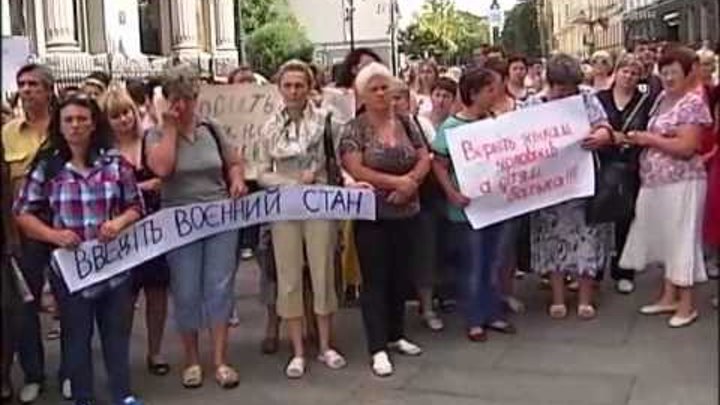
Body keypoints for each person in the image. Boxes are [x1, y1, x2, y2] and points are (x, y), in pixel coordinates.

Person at [14, 93, 144, 405]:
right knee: (76, 338)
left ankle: (122, 394)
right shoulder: (48, 167)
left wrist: (119, 223)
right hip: (71, 270)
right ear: (60, 125)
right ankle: (83, 397)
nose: (75, 126)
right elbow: (23, 213)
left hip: (113, 266)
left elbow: (136, 206)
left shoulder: (114, 163)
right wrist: (54, 235)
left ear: (93, 123)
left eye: (82, 119)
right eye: (69, 120)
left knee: (116, 336)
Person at [146, 65, 246, 388]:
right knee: (186, 288)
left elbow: (233, 161)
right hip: (180, 219)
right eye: (175, 98)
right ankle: (191, 358)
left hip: (218, 216)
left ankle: (220, 359)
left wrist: (237, 179)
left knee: (219, 286)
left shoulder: (212, 129)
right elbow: (162, 167)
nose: (182, 105)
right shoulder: (155, 134)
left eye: (187, 98)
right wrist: (172, 129)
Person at [339, 62, 430, 377]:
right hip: (373, 214)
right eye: (374, 89)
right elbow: (356, 168)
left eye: (384, 87)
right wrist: (396, 184)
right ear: (362, 94)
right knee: (375, 280)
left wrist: (413, 183)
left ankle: (396, 335)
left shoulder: (406, 120)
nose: (381, 94)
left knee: (400, 276)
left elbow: (423, 155)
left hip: (407, 210)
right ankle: (377, 347)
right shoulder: (354, 128)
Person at [256, 60, 346, 378]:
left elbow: (341, 159)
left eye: (299, 85)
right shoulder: (268, 126)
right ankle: (296, 351)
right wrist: (289, 183)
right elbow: (261, 172)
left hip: (319, 202)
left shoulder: (326, 121)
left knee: (322, 272)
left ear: (309, 87)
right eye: (287, 85)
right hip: (285, 206)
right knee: (288, 276)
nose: (293, 91)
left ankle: (324, 345)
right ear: (279, 88)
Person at [619, 46, 713, 328]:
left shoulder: (693, 102)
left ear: (688, 73)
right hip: (655, 182)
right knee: (664, 239)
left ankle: (687, 304)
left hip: (683, 181)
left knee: (682, 240)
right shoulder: (661, 98)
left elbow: (687, 147)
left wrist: (649, 139)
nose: (669, 77)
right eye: (665, 72)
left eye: (675, 72)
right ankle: (668, 295)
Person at [523, 54, 616, 320]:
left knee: (587, 237)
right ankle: (558, 297)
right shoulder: (532, 104)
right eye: (563, 89)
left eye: (571, 88)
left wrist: (599, 135)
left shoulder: (586, 97)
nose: (568, 94)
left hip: (581, 183)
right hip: (548, 188)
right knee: (551, 240)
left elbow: (606, 127)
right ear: (550, 83)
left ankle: (586, 298)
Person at [1, 63, 71, 404]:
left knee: (71, 300)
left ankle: (72, 371)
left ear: (49, 90)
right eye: (22, 84)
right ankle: (33, 374)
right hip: (22, 227)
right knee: (24, 305)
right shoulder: (7, 133)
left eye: (33, 84)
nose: (26, 90)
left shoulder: (67, 127)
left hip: (65, 224)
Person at [432, 67, 518, 342]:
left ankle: (491, 312)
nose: (497, 94)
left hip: (493, 205)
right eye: (491, 89)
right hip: (467, 209)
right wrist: (451, 193)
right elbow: (440, 165)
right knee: (473, 263)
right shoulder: (451, 128)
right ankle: (474, 318)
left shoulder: (494, 122)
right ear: (474, 93)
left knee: (493, 260)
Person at [99, 87, 171, 376]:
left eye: (127, 112)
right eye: (115, 116)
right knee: (124, 298)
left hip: (156, 227)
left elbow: (168, 173)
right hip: (123, 229)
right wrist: (143, 187)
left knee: (157, 292)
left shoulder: (150, 139)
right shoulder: (103, 153)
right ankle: (120, 356)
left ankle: (156, 351)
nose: (123, 119)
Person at [595, 54, 653, 294]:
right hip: (602, 164)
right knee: (598, 217)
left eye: (634, 73)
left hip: (631, 166)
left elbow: (650, 129)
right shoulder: (600, 99)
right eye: (625, 71)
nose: (628, 77)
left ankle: (623, 271)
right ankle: (594, 270)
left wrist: (630, 139)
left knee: (626, 219)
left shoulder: (645, 101)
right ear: (615, 73)